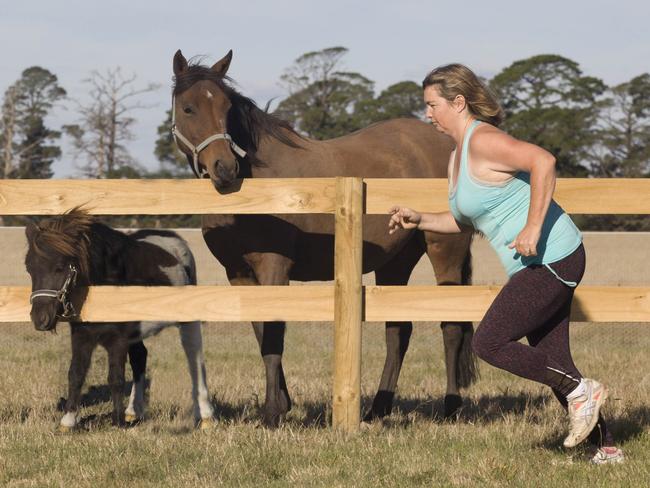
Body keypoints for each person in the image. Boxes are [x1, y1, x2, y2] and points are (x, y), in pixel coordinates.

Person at [388, 63, 623, 464]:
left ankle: (583, 391)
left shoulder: (484, 140)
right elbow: (465, 220)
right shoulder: (457, 157)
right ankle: (605, 448)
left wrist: (533, 226)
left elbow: (543, 162)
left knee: (489, 342)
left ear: (458, 102)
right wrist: (420, 219)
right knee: (554, 361)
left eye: (433, 104)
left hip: (554, 256)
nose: (427, 114)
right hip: (533, 265)